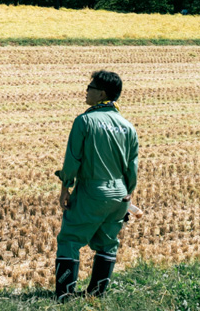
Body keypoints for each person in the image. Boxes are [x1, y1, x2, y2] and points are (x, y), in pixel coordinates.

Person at [54, 70, 139, 302]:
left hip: (93, 191)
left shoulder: (85, 121)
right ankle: (97, 294)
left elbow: (73, 160)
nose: (86, 90)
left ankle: (64, 296)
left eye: (90, 87)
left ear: (101, 93)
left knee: (70, 240)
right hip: (120, 195)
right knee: (108, 243)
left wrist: (65, 187)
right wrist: (128, 197)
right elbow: (132, 169)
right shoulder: (128, 127)